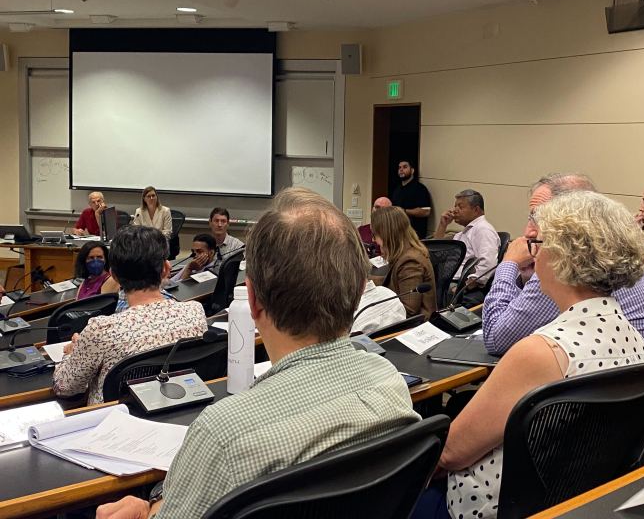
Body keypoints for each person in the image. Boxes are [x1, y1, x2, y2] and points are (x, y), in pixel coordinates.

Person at [96, 188, 420, 519]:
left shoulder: (222, 434)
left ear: (252, 301)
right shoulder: (389, 382)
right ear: (356, 293)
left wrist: (146, 512)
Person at [414, 191, 644, 519]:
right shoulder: (635, 339)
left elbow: (451, 452)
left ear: (560, 257)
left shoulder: (542, 352)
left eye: (538, 245)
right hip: (577, 503)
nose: (534, 256)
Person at [482, 173, 644, 356]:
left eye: (539, 218)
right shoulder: (614, 257)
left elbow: (496, 339)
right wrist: (530, 275)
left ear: (571, 221)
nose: (528, 231)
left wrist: (508, 264)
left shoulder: (568, 269)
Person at [52, 226, 208, 405]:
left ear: (114, 276)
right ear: (166, 269)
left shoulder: (101, 330)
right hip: (176, 415)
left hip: (114, 424)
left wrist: (72, 353)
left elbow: (65, 387)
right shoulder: (195, 312)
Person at [434, 189, 500, 302]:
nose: (454, 210)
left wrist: (464, 286)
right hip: (446, 280)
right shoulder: (462, 234)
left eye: (460, 206)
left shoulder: (483, 229)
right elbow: (436, 253)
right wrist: (442, 225)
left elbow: (488, 264)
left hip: (459, 285)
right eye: (455, 206)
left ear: (476, 209)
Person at [371, 206, 437, 317]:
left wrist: (375, 311)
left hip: (414, 327)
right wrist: (365, 280)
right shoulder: (404, 253)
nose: (373, 240)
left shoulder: (410, 261)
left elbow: (409, 309)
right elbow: (396, 281)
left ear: (387, 235)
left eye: (375, 235)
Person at [390, 159, 432, 239]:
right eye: (399, 168)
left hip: (415, 234)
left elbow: (426, 211)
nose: (401, 170)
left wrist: (404, 211)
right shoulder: (397, 190)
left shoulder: (420, 189)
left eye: (405, 167)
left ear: (412, 170)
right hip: (398, 233)